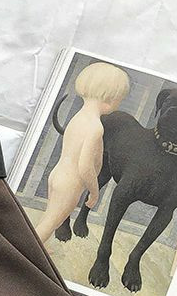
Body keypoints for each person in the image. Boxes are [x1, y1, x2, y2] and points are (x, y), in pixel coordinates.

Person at [35, 61, 130, 242]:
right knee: (50, 224)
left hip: (57, 175)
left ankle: (35, 249)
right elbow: (85, 166)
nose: (118, 104)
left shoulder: (78, 117)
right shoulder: (95, 127)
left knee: (48, 219)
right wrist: (94, 192)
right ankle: (25, 255)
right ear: (109, 98)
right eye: (119, 100)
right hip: (70, 183)